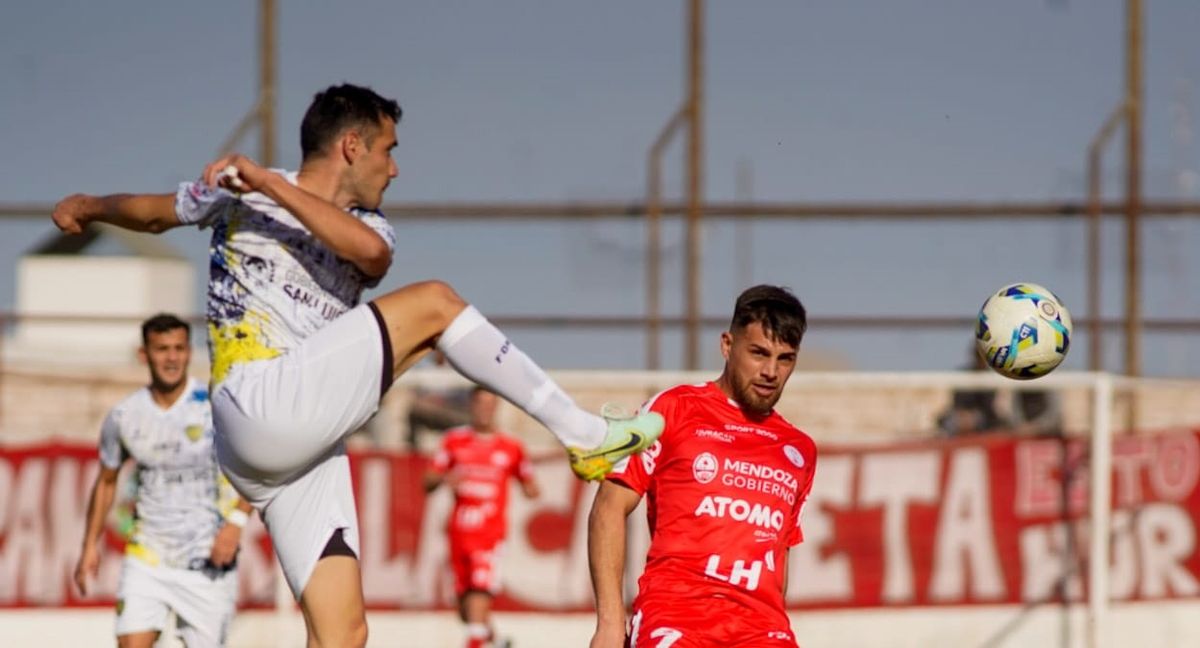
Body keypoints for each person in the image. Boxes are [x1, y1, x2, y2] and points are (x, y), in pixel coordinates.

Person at [52, 83, 663, 648]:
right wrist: (90, 204)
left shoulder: (364, 225)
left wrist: (267, 183)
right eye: (388, 150)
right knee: (437, 305)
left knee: (345, 632)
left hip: (299, 445)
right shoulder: (240, 196)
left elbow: (369, 256)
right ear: (352, 146)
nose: (395, 168)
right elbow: (155, 212)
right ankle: (583, 434)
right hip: (256, 403)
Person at [588, 285, 817, 648]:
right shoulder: (670, 409)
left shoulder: (799, 449)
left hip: (762, 629)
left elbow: (778, 554)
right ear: (727, 345)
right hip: (677, 617)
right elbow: (608, 506)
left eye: (784, 358)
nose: (770, 371)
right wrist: (610, 623)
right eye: (758, 353)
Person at [74, 314, 254, 648]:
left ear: (189, 352)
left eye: (179, 349)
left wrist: (237, 522)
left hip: (208, 561)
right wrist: (89, 546)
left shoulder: (216, 406)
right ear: (144, 354)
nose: (171, 358)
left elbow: (254, 465)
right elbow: (106, 481)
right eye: (162, 349)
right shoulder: (125, 416)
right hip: (148, 557)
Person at [424, 387, 540, 648]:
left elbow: (531, 487)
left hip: (490, 534)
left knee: (479, 595)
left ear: (496, 406)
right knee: (466, 610)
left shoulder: (511, 448)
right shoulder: (454, 441)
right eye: (480, 403)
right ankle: (498, 642)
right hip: (458, 533)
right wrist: (445, 478)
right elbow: (427, 481)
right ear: (471, 406)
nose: (485, 409)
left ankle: (474, 644)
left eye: (490, 403)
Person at [937, 347, 1007, 436]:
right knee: (948, 421)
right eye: (979, 356)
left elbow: (989, 407)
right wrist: (964, 415)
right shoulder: (964, 375)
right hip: (961, 415)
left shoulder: (991, 378)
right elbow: (957, 400)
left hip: (982, 417)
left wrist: (974, 416)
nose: (981, 360)